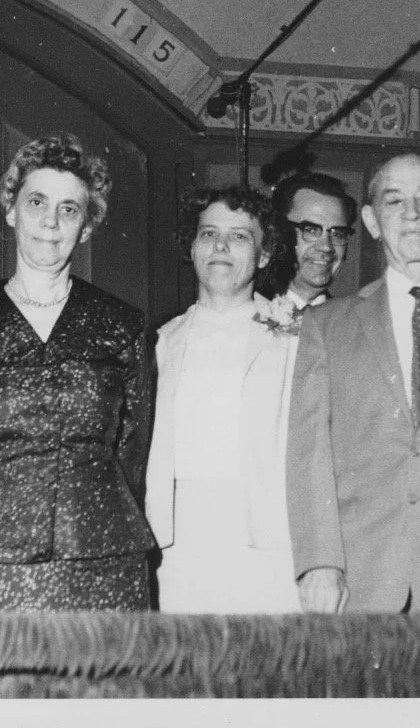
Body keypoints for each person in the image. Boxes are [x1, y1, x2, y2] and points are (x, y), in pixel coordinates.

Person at [0, 133, 155, 610]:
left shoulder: (122, 325)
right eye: (36, 202)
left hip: (103, 557)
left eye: (69, 209)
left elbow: (134, 452)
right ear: (11, 211)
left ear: (86, 227)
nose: (50, 222)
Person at [287, 153, 420, 613]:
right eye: (394, 201)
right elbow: (309, 452)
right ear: (372, 222)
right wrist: (320, 563)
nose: (412, 214)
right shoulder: (326, 326)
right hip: (364, 576)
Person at [145, 185, 300, 613]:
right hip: (178, 539)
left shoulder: (297, 338)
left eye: (239, 236)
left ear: (264, 255)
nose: (220, 246)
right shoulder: (160, 342)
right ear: (192, 248)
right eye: (208, 233)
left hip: (265, 537)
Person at [267, 171, 358, 309]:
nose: (326, 247)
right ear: (278, 233)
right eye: (310, 230)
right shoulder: (244, 315)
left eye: (337, 234)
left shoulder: (353, 324)